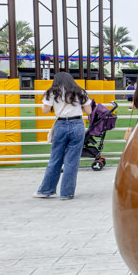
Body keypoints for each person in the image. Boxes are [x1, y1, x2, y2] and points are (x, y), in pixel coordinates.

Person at [33, 72, 92, 200]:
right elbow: (89, 111)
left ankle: (46, 190)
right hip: (77, 124)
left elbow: (45, 110)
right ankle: (67, 193)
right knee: (72, 161)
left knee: (55, 158)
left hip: (60, 125)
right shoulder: (80, 91)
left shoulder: (53, 92)